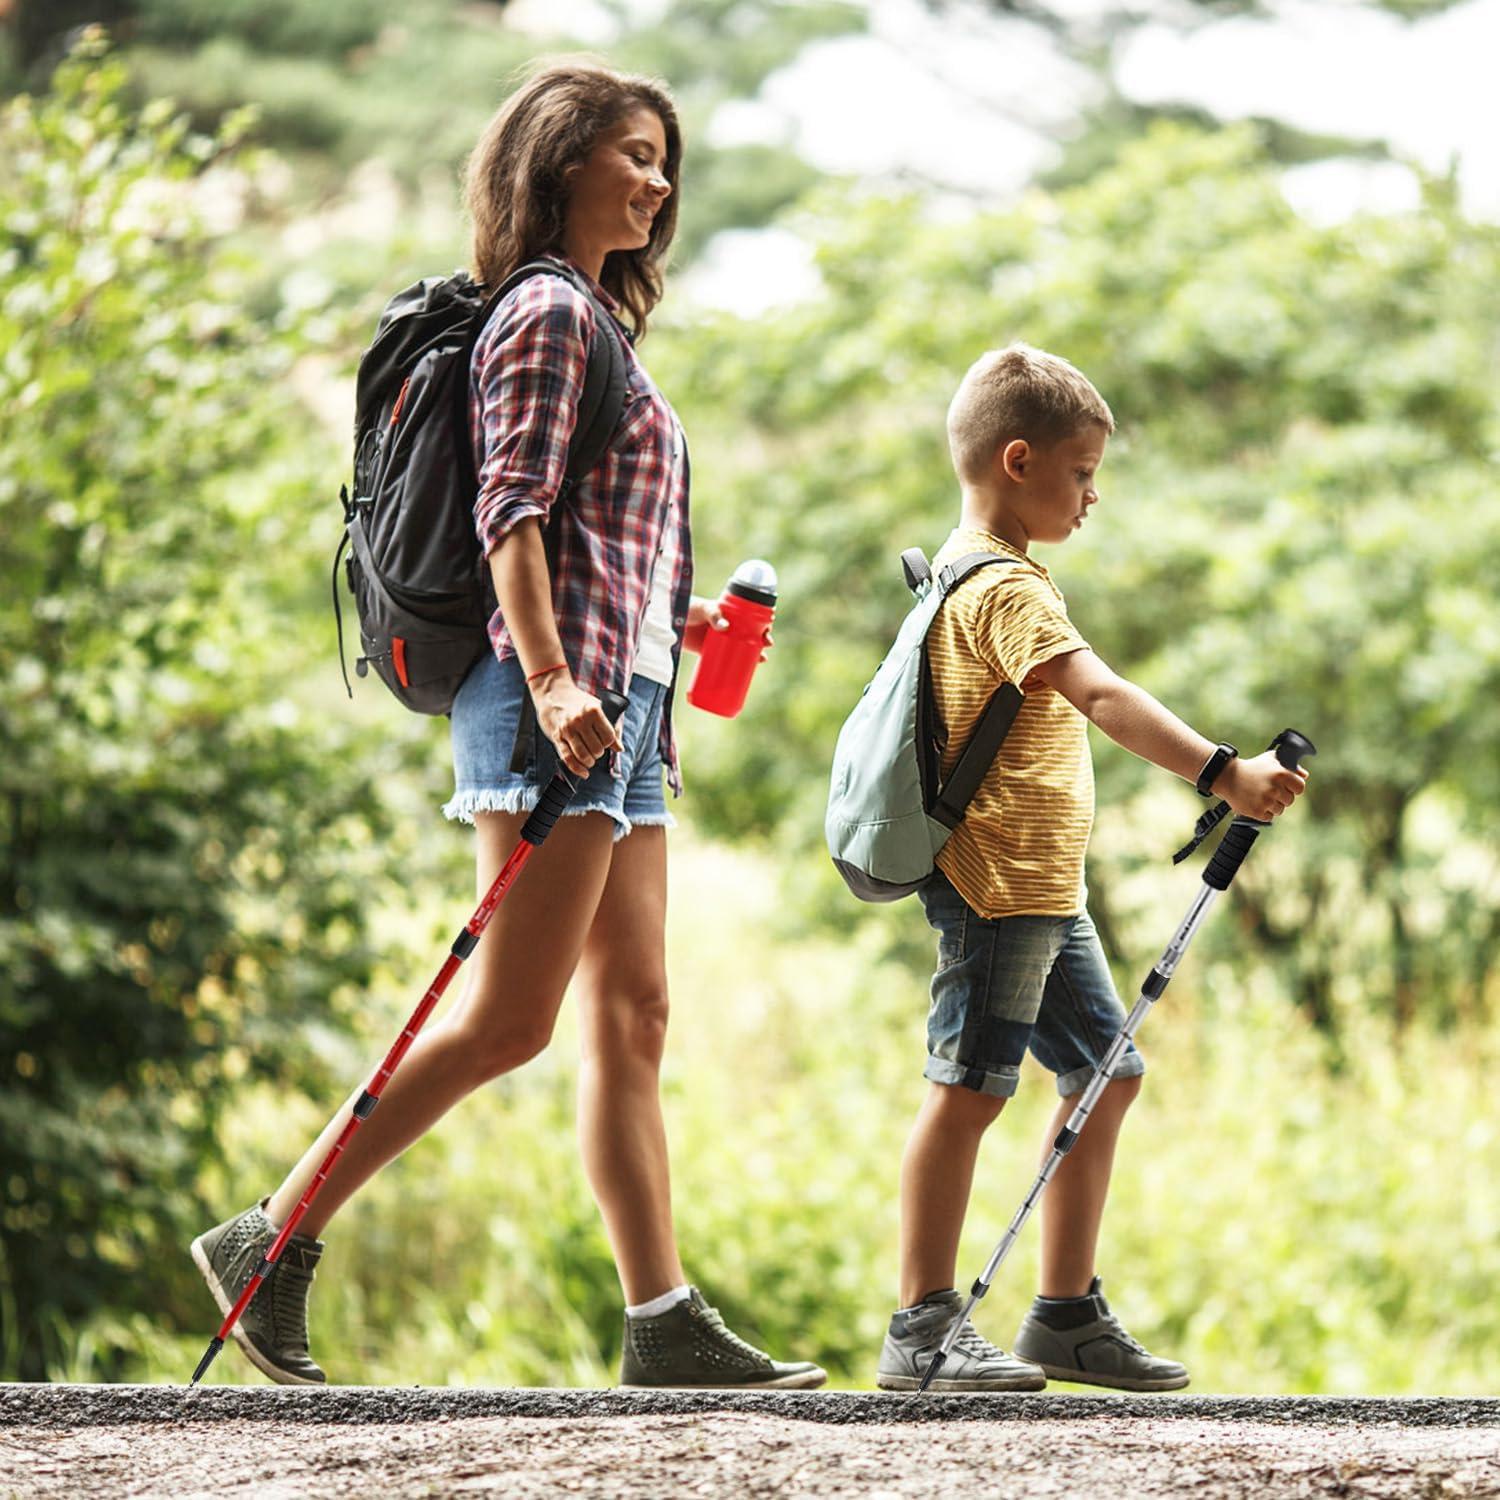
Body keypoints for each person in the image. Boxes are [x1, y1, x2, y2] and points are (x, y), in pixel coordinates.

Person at [192, 61, 825, 1392]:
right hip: (557, 697)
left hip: (627, 698)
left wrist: (683, 625)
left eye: (666, 161)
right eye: (631, 155)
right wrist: (547, 678)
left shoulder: (600, 321)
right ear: (556, 160)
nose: (656, 183)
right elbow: (514, 511)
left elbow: (597, 535)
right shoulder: (544, 308)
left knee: (635, 1013)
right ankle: (270, 1238)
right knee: (512, 1017)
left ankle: (662, 1317)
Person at [876, 345, 1308, 1392]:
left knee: (1105, 1075)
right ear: (1017, 461)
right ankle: (920, 1329)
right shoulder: (1003, 587)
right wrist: (1222, 773)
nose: (1093, 492)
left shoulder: (981, 570)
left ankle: (1063, 1316)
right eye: (1081, 471)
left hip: (1039, 890)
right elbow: (1103, 697)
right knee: (969, 1089)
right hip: (995, 888)